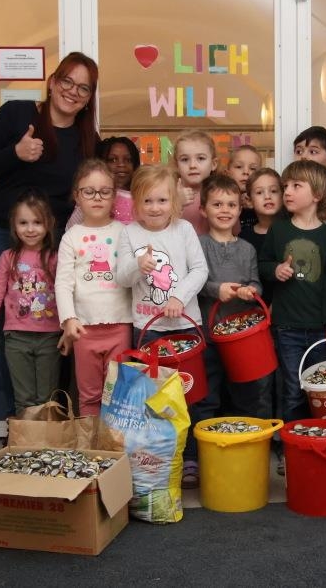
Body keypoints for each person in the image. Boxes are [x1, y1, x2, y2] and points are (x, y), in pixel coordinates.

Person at [0, 52, 100, 291]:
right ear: (52, 82)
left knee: (46, 311)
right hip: (0, 234)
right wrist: (15, 153)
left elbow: (95, 192)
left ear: (89, 98)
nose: (73, 91)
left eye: (83, 88)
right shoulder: (15, 113)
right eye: (67, 81)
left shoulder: (89, 140)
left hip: (54, 242)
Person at [116, 164, 209, 485]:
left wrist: (179, 297)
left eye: (162, 200)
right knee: (153, 397)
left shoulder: (184, 230)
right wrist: (137, 265)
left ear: (174, 202)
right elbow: (121, 277)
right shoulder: (129, 233)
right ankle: (159, 457)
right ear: (135, 203)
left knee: (191, 395)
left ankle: (191, 457)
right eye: (147, 201)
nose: (155, 208)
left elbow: (200, 270)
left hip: (186, 326)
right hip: (148, 328)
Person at [259, 160, 326, 474]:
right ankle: (290, 449)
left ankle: (317, 444)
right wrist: (275, 270)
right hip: (287, 328)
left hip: (320, 330)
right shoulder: (279, 229)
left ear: (317, 194)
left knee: (318, 390)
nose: (287, 192)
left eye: (296, 186)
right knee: (292, 389)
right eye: (286, 186)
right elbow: (263, 264)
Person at [56, 160, 133, 416]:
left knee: (118, 394)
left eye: (104, 191)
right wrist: (69, 319)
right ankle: (91, 441)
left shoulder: (126, 232)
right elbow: (63, 282)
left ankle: (114, 440)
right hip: (84, 330)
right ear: (77, 196)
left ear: (114, 195)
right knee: (89, 395)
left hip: (120, 326)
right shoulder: (71, 236)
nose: (97, 197)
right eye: (89, 191)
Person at [0, 193, 66, 414]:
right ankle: (25, 437)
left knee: (47, 399)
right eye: (23, 223)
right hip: (16, 338)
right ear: (14, 226)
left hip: (50, 337)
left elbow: (67, 293)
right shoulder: (7, 258)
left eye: (37, 222)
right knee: (23, 400)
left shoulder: (56, 258)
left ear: (49, 224)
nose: (30, 229)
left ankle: (47, 437)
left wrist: (67, 331)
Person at [197, 176, 271, 433]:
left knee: (248, 392)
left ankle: (252, 439)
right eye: (217, 204)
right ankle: (204, 444)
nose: (225, 210)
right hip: (209, 335)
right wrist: (216, 290)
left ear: (240, 209)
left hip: (242, 338)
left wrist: (252, 290)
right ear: (203, 209)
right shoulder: (198, 245)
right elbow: (193, 283)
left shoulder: (247, 249)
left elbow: (256, 282)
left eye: (231, 205)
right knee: (208, 394)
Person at [239, 167, 282, 306]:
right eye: (259, 192)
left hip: (286, 307)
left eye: (273, 191)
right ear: (249, 201)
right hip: (256, 308)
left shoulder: (291, 231)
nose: (267, 196)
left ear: (283, 196)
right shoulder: (244, 237)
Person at [174, 130, 218, 236]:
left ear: (213, 164)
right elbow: (157, 228)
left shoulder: (222, 192)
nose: (192, 165)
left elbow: (233, 232)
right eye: (185, 159)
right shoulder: (167, 194)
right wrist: (176, 203)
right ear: (176, 165)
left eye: (201, 158)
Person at [225, 144, 262, 234]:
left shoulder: (264, 199)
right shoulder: (220, 198)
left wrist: (256, 205)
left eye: (252, 168)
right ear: (227, 173)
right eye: (239, 167)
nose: (246, 172)